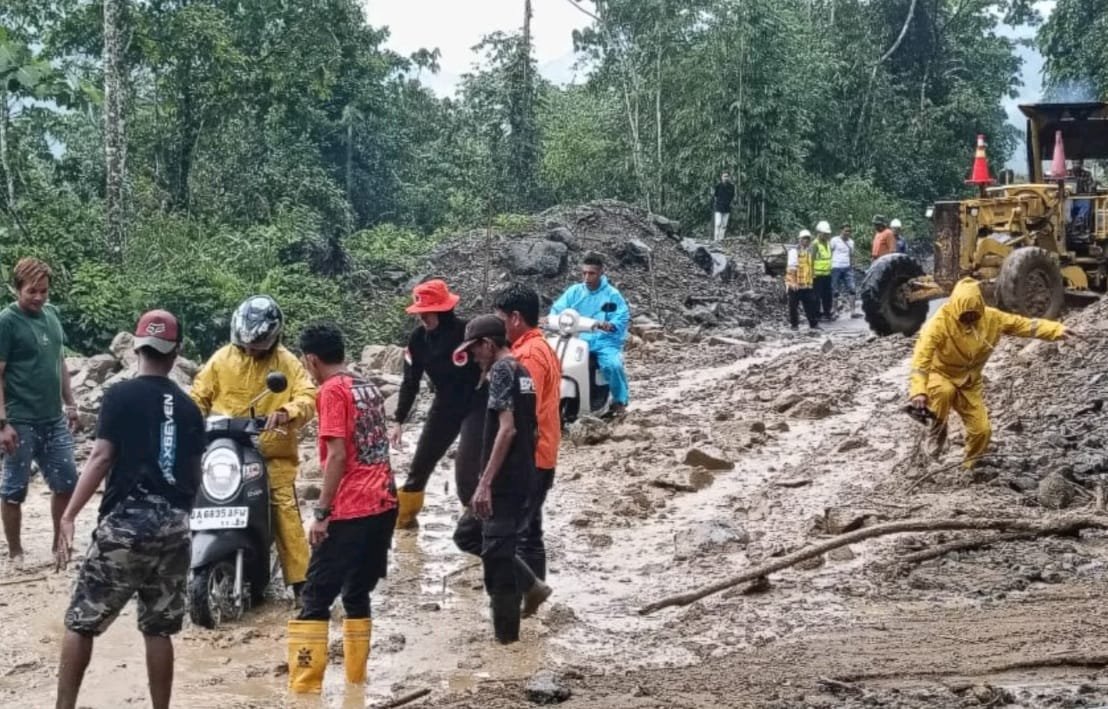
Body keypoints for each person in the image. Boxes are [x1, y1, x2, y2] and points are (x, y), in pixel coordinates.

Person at [54, 310, 205, 709]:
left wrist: (68, 515)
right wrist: (179, 520)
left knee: (80, 621)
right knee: (159, 629)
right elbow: (195, 476)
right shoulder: (190, 409)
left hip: (125, 525)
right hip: (174, 527)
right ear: (177, 352)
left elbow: (102, 458)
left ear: (137, 347)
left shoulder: (119, 395)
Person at [287, 323, 398, 693]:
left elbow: (335, 455)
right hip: (384, 502)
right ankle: (356, 686)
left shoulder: (332, 392)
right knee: (355, 593)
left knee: (315, 598)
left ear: (311, 360)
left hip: (351, 508)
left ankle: (304, 692)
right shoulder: (364, 385)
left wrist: (321, 513)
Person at [190, 295, 316, 599]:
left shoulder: (286, 363)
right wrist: (189, 419)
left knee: (284, 508)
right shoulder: (222, 359)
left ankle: (302, 584)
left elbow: (308, 396)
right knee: (190, 494)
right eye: (244, 344)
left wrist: (287, 412)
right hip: (222, 447)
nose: (248, 350)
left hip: (271, 453)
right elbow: (199, 394)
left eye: (255, 345)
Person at [908, 279, 1074, 469]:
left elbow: (1026, 325)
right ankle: (932, 447)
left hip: (970, 381)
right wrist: (918, 390)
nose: (970, 318)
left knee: (982, 430)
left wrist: (1057, 330)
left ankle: (968, 466)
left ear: (980, 307)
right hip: (941, 373)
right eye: (965, 315)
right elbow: (921, 360)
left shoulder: (992, 318)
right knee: (943, 393)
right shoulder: (938, 324)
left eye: (974, 314)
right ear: (955, 307)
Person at [451, 315, 538, 644]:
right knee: (467, 534)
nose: (473, 356)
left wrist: (485, 482)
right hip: (519, 473)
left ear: (488, 344)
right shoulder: (521, 370)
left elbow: (508, 428)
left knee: (498, 564)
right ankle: (532, 585)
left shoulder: (502, 370)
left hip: (505, 481)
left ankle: (507, 646)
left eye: (474, 349)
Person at [0, 257, 78, 571]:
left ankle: (58, 546)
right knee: (14, 490)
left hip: (53, 418)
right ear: (16, 288)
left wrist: (71, 404)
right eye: (32, 291)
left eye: (44, 291)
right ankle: (15, 551)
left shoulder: (52, 316)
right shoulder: (7, 321)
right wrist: (3, 423)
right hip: (20, 420)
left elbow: (60, 363)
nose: (39, 297)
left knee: (66, 483)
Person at [390, 279, 484, 529]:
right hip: (444, 404)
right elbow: (410, 382)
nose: (422, 318)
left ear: (443, 309)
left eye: (427, 312)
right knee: (419, 465)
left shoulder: (468, 332)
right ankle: (403, 524)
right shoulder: (418, 339)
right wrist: (398, 420)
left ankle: (478, 526)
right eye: (419, 312)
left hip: (476, 402)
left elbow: (496, 362)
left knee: (466, 470)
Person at [493, 283, 560, 617]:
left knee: (510, 534)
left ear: (515, 318)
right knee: (530, 531)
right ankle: (531, 601)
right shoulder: (541, 347)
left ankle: (524, 595)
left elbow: (521, 414)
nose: (498, 324)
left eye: (500, 318)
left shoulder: (527, 357)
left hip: (529, 457)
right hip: (543, 453)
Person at [549, 253, 631, 416]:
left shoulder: (612, 294)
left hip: (603, 341)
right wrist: (550, 319)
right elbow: (558, 309)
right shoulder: (574, 291)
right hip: (576, 339)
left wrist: (611, 325)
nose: (587, 277)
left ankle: (619, 401)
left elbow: (621, 316)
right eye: (584, 273)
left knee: (612, 365)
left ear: (601, 272)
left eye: (591, 273)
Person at [786, 230, 820, 331]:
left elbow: (810, 266)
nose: (806, 240)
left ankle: (813, 324)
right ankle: (794, 325)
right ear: (800, 239)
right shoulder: (794, 251)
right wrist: (793, 282)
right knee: (793, 306)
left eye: (808, 239)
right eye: (804, 238)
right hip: (795, 284)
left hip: (806, 284)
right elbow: (792, 267)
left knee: (811, 305)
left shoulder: (809, 251)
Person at [830, 224, 861, 318]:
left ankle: (853, 311)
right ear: (841, 231)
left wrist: (852, 266)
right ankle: (834, 311)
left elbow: (851, 255)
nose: (847, 233)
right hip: (835, 267)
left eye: (849, 231)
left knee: (852, 289)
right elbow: (830, 252)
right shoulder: (834, 240)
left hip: (847, 268)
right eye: (846, 231)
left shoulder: (851, 242)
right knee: (835, 290)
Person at [811, 221, 835, 321]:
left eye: (827, 234)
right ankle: (816, 314)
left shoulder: (828, 243)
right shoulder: (815, 244)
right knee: (817, 296)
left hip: (827, 274)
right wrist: (811, 272)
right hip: (817, 274)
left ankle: (827, 313)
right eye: (825, 234)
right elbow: (811, 259)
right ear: (819, 233)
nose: (826, 236)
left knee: (827, 295)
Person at [712, 172, 736, 242]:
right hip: (719, 206)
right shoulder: (718, 186)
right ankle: (716, 239)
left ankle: (721, 239)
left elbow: (732, 196)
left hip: (727, 207)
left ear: (729, 177)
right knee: (718, 223)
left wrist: (730, 203)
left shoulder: (731, 187)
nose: (726, 178)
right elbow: (715, 196)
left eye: (727, 176)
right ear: (721, 177)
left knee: (724, 225)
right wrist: (716, 204)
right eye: (724, 176)